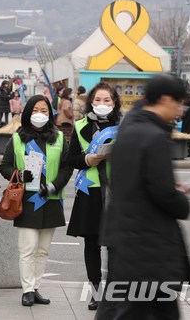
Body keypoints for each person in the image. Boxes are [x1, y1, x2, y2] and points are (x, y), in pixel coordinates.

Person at [98, 74, 190, 319]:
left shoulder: (129, 128)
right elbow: (163, 194)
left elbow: (133, 181)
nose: (180, 111)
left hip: (127, 241)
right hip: (149, 248)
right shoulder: (153, 137)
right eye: (178, 103)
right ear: (164, 99)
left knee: (133, 309)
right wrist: (181, 200)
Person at [0, 95, 73, 307]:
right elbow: (5, 166)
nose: (40, 114)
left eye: (44, 110)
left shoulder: (59, 138)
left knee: (43, 250)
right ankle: (27, 290)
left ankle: (36, 287)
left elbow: (67, 166)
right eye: (35, 110)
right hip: (27, 200)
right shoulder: (17, 138)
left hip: (50, 199)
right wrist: (20, 175)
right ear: (27, 113)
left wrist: (54, 186)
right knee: (28, 248)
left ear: (50, 114)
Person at [66, 82, 122, 311]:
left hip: (116, 191)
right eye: (97, 100)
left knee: (115, 245)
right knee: (92, 243)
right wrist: (86, 160)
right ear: (91, 102)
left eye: (106, 100)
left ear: (115, 102)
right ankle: (96, 290)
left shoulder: (124, 125)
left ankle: (113, 291)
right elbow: (71, 159)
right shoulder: (80, 127)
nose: (101, 104)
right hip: (90, 190)